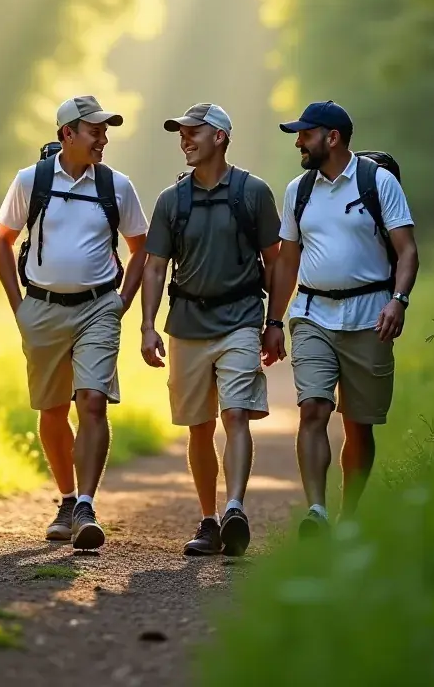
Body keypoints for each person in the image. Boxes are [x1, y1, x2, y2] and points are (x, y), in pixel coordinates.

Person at [0, 96, 148, 550]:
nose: (103, 138)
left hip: (98, 307)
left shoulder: (117, 187)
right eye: (94, 130)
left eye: (105, 130)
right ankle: (65, 498)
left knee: (92, 401)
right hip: (40, 308)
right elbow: (1, 242)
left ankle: (85, 503)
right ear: (67, 134)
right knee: (52, 409)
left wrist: (122, 301)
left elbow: (141, 249)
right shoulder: (31, 181)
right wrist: (18, 305)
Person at [140, 103, 284, 558]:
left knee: (236, 413)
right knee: (198, 427)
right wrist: (146, 325)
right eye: (180, 133)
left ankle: (235, 509)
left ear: (219, 136)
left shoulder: (253, 193)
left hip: (241, 318)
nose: (184, 140)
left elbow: (276, 262)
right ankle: (208, 520)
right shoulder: (171, 200)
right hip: (186, 323)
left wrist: (274, 322)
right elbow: (156, 265)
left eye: (193, 132)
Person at [269, 100, 419, 537]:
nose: (298, 141)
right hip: (313, 314)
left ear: (331, 138)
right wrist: (274, 321)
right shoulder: (298, 190)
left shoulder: (379, 182)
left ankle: (347, 516)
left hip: (371, 317)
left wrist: (399, 301)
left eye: (305, 133)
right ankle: (316, 510)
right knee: (313, 408)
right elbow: (287, 262)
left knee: (359, 424)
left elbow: (407, 250)